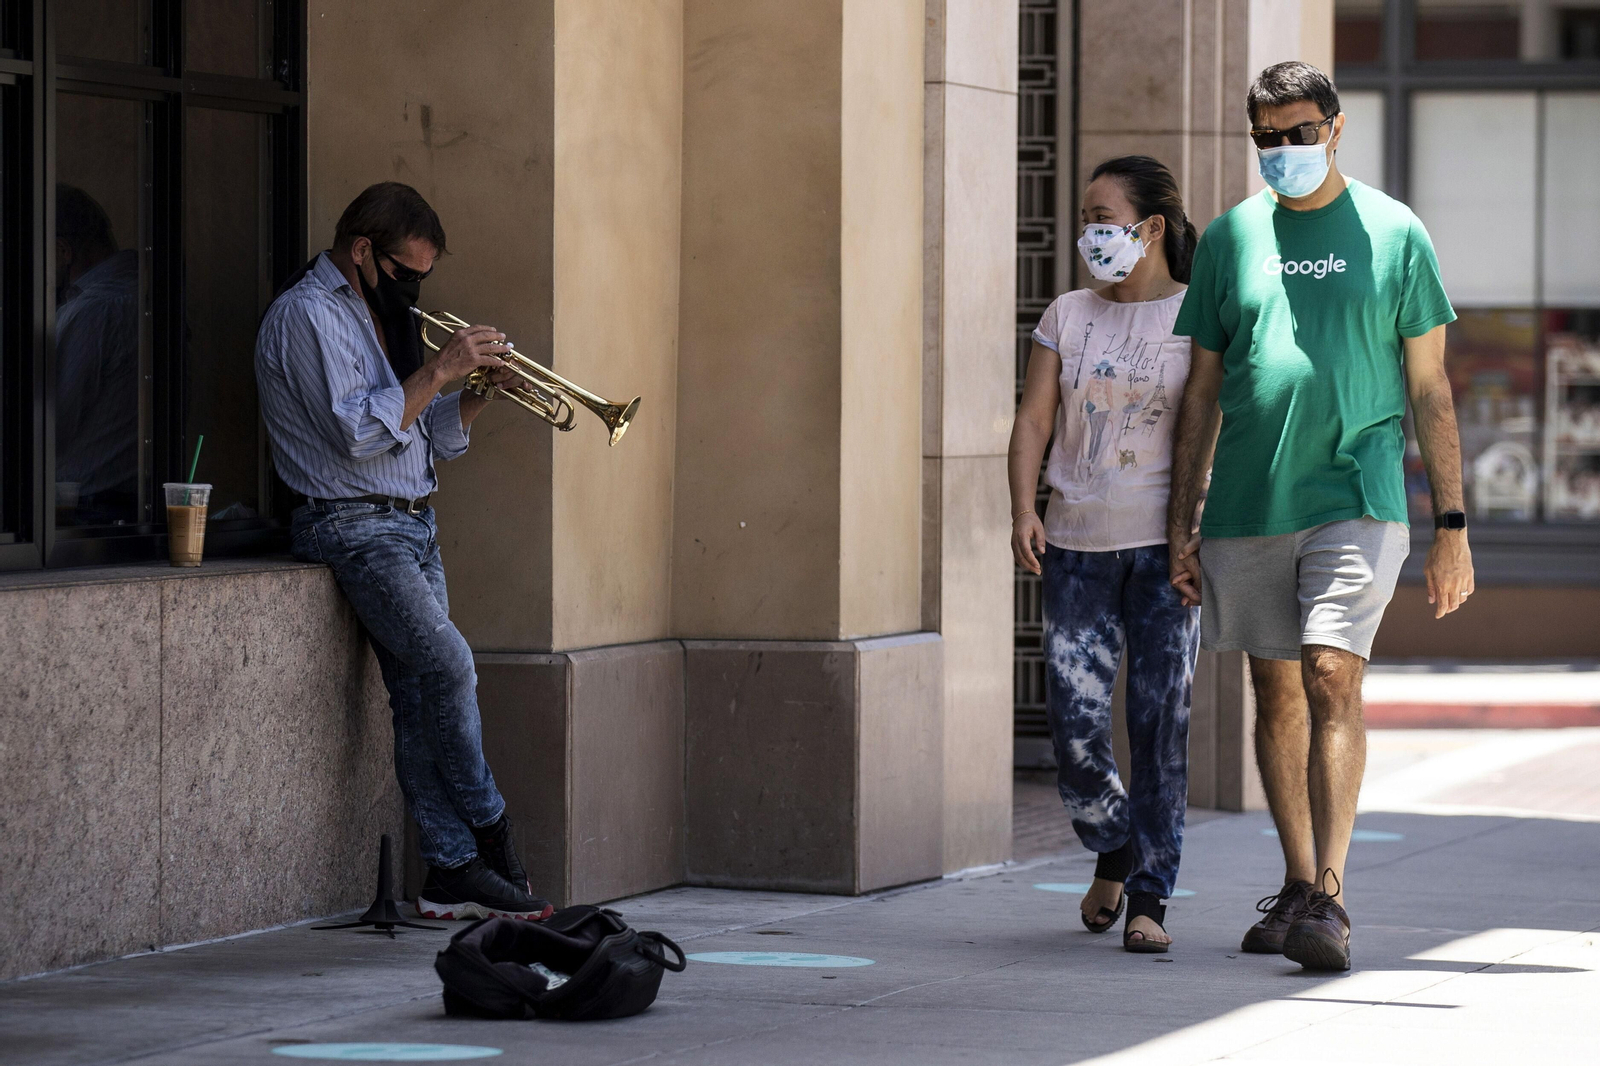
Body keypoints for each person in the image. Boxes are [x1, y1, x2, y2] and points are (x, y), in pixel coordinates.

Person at [1167, 62, 1473, 972]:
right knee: (1276, 691)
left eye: (1300, 133)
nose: (1284, 152)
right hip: (1250, 502)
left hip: (1359, 493)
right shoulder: (1229, 238)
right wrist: (1182, 522)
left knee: (1333, 673)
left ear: (1336, 129)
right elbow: (1203, 390)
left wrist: (1451, 526)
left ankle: (1331, 901)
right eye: (1267, 138)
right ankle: (1297, 884)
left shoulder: (1395, 233)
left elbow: (1431, 386)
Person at [256, 181, 553, 921]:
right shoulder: (306, 315)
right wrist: (440, 369)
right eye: (405, 273)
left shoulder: (376, 309)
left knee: (421, 694)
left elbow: (418, 435)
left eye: (423, 276)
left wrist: (477, 392)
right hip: (352, 525)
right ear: (362, 251)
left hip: (411, 522)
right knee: (449, 663)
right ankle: (491, 833)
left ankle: (450, 868)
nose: (415, 289)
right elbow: (357, 436)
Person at [1009, 156, 1202, 953]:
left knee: (1160, 727)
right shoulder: (1068, 313)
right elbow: (1032, 420)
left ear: (1150, 228)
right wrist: (1023, 506)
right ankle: (1113, 847)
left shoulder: (1199, 316)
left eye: (1103, 217)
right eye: (1086, 219)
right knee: (1075, 731)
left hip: (1165, 554)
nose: (1091, 233)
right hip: (1077, 549)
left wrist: (1200, 532)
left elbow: (1214, 428)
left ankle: (1150, 895)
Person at [55, 184, 140, 525]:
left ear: (63, 251)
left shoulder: (94, 310)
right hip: (129, 507)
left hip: (89, 511)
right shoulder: (142, 294)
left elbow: (50, 424)